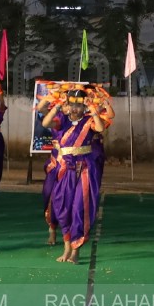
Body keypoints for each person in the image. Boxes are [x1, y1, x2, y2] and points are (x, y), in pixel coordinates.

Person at [44, 85, 111, 264]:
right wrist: (58, 106)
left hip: (84, 170)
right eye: (72, 104)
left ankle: (76, 250)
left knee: (79, 209)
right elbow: (45, 123)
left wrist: (93, 110)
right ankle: (66, 247)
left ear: (84, 107)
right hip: (65, 170)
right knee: (62, 207)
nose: (75, 108)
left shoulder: (88, 121)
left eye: (79, 105)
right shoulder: (61, 120)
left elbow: (100, 128)